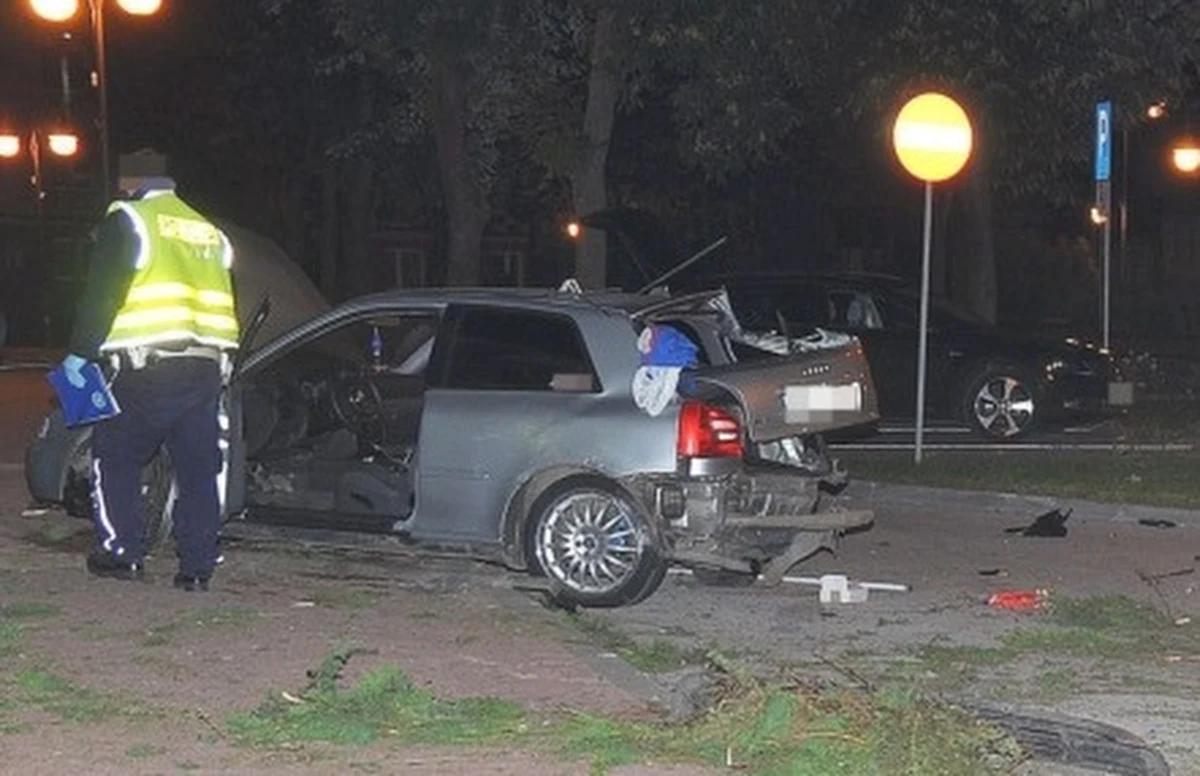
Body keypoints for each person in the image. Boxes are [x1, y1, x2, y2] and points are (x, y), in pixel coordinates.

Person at [60, 169, 238, 591]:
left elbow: (103, 292)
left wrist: (79, 353)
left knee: (114, 455)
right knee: (197, 469)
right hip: (206, 367)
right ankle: (197, 567)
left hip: (147, 369)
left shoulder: (130, 218)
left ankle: (122, 553)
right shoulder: (209, 232)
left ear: (129, 184)